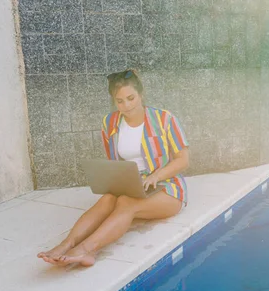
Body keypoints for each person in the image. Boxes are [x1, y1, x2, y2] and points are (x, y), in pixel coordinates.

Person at [38, 69, 189, 267]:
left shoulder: (164, 119)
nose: (126, 106)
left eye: (131, 98)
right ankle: (66, 244)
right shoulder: (109, 123)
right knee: (108, 199)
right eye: (120, 101)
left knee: (127, 203)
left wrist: (156, 176)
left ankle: (87, 250)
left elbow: (183, 160)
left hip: (167, 186)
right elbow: (114, 163)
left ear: (141, 94)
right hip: (133, 183)